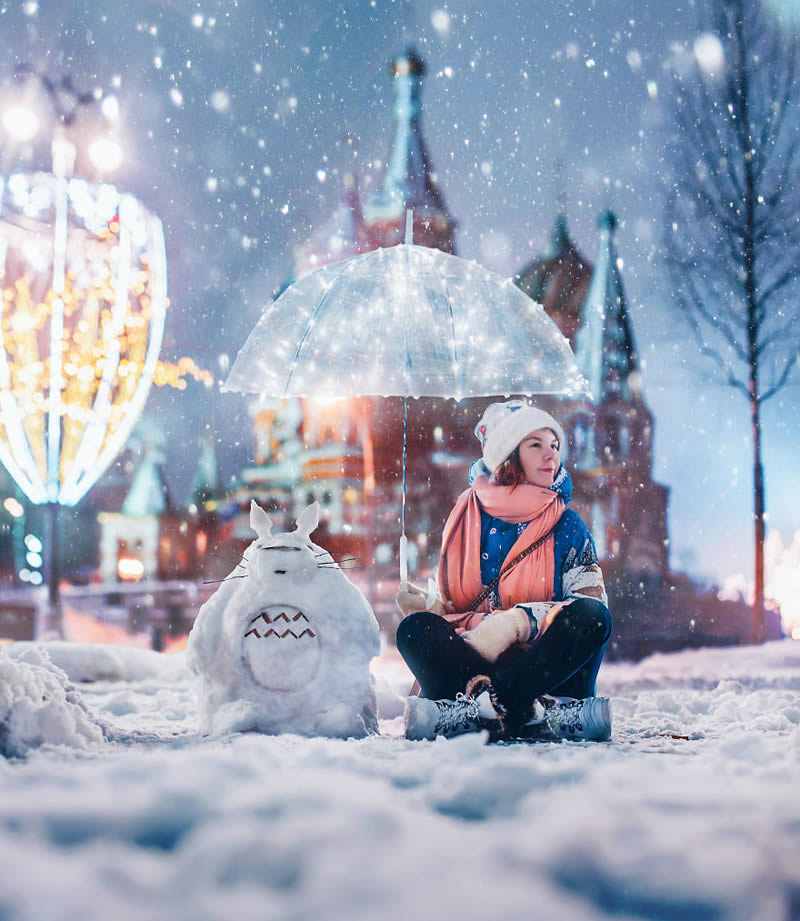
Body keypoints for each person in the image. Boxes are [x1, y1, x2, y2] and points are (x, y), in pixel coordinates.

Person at [395, 400, 613, 742]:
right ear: (506, 454)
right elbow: (461, 607)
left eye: (554, 446)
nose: (550, 455)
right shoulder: (465, 516)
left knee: (592, 619)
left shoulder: (567, 524)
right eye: (536, 444)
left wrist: (517, 623)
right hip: (475, 664)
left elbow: (592, 606)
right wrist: (433, 609)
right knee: (415, 629)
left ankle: (492, 705)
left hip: (543, 669)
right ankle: (525, 713)